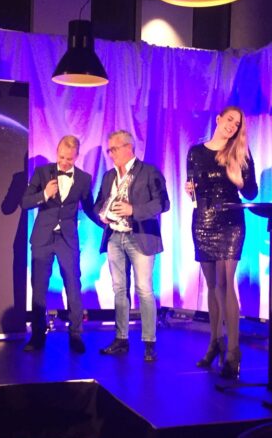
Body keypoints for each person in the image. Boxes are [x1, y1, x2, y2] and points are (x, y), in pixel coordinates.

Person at [185, 106, 258, 379]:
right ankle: (214, 343)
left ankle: (233, 352)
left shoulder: (240, 153)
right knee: (212, 285)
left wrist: (239, 180)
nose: (232, 126)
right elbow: (193, 188)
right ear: (218, 119)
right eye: (229, 120)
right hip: (203, 221)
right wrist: (190, 190)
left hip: (230, 221)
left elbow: (252, 192)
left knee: (226, 284)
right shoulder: (195, 152)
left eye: (237, 124)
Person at [94, 130, 170, 362]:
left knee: (144, 289)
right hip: (115, 237)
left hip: (141, 237)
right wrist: (102, 214)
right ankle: (121, 339)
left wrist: (133, 210)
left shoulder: (149, 172)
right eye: (109, 150)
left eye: (114, 149)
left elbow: (163, 203)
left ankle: (149, 342)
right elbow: (98, 203)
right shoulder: (109, 176)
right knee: (119, 289)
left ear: (129, 148)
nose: (111, 154)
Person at [21, 135, 97, 353]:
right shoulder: (42, 173)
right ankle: (37, 335)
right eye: (61, 157)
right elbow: (25, 202)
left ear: (76, 157)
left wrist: (106, 222)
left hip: (67, 240)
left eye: (69, 159)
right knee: (38, 288)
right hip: (43, 239)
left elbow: (89, 208)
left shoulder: (84, 179)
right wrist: (44, 194)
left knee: (73, 286)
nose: (64, 162)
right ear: (57, 153)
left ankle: (76, 335)